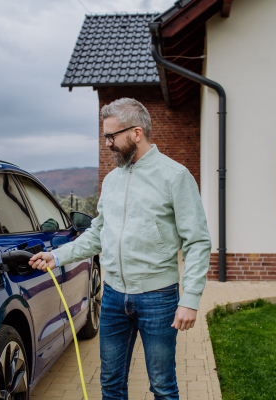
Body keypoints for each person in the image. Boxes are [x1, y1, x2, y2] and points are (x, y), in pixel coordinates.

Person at [29, 98, 211, 400]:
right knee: (111, 385)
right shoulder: (112, 180)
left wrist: (190, 299)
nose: (107, 144)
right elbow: (98, 233)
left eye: (111, 136)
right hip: (112, 297)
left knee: (163, 387)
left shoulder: (175, 176)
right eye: (105, 137)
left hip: (159, 298)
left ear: (136, 133)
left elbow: (197, 241)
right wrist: (57, 256)